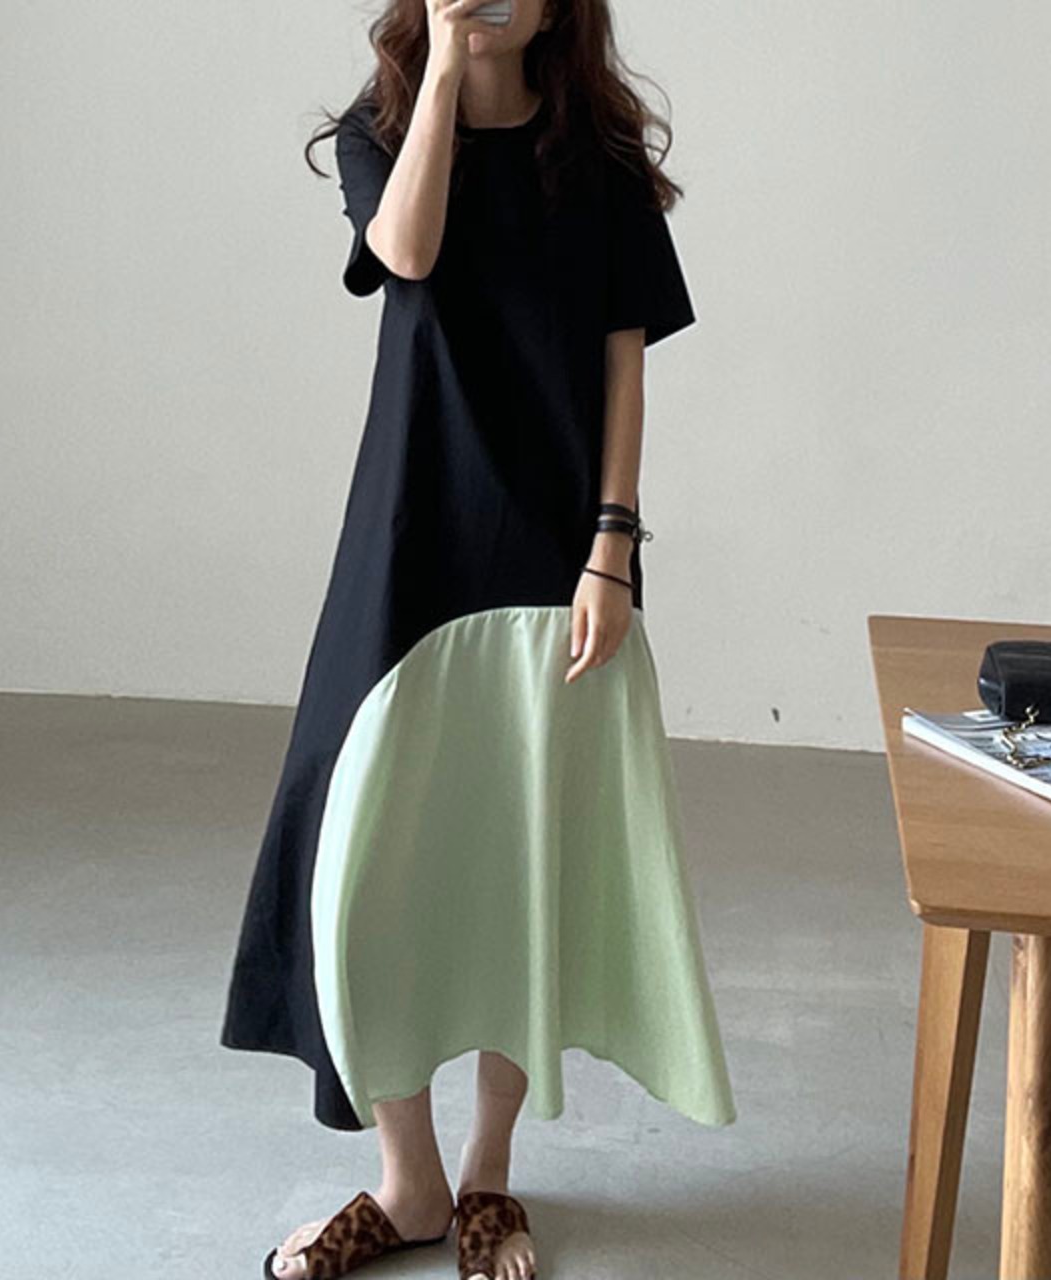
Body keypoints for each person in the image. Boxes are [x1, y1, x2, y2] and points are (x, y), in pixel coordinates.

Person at [219, 1, 737, 1276]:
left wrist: (612, 545)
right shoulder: (382, 133)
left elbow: (624, 364)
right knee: (361, 850)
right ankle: (406, 1181)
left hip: (554, 544)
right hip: (407, 535)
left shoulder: (599, 159)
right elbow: (406, 253)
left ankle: (487, 1174)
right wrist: (446, 71)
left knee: (523, 846)